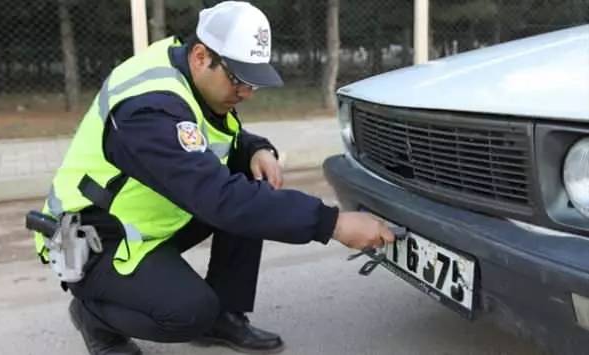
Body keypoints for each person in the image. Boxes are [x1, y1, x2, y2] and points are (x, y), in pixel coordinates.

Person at [33, 2, 394, 354]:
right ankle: (95, 317)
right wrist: (332, 223)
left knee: (249, 183)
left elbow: (211, 137)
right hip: (94, 237)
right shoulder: (147, 110)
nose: (247, 93)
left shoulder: (189, 74)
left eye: (253, 82)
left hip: (143, 221)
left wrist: (255, 149)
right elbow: (219, 198)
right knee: (189, 312)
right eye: (239, 79)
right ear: (202, 56)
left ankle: (225, 315)